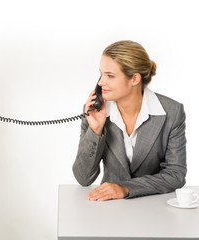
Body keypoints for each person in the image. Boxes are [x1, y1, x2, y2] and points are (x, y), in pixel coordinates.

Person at [73, 40, 186, 201]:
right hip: (110, 209)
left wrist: (126, 188)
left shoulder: (172, 112)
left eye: (110, 76)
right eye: (101, 74)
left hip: (153, 206)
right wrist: (95, 130)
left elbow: (176, 175)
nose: (100, 82)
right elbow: (83, 178)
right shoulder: (94, 111)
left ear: (134, 79)